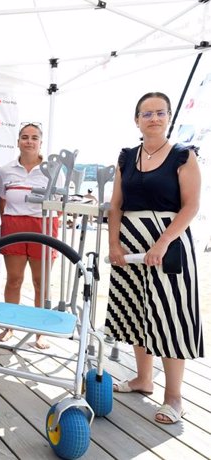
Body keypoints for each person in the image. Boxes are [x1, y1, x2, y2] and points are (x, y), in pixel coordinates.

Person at [106, 91, 202, 425]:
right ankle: (143, 379)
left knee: (172, 316)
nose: (154, 119)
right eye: (147, 114)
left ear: (169, 117)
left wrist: (161, 243)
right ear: (137, 120)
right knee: (136, 311)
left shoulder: (183, 156)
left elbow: (191, 206)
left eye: (160, 113)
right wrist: (113, 244)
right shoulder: (126, 157)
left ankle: (174, 397)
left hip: (169, 243)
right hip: (130, 241)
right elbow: (115, 205)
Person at [0, 122, 64, 349]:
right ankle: (9, 327)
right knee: (14, 279)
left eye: (34, 138)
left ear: (40, 142)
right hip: (14, 226)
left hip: (43, 226)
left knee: (40, 281)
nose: (29, 141)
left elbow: (60, 204)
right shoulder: (6, 170)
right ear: (18, 141)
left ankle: (40, 331)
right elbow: (3, 200)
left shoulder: (53, 170)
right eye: (25, 137)